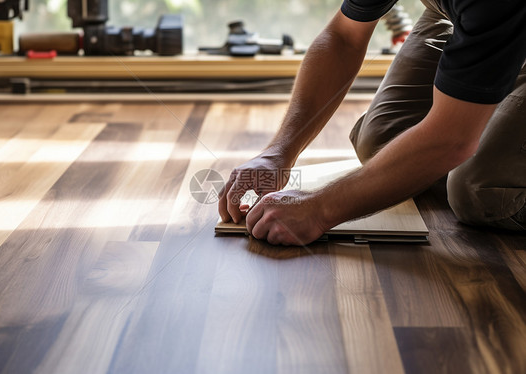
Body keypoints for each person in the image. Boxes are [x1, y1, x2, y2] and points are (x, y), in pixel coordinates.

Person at [218, 0, 526, 246]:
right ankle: (493, 87)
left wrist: (318, 209)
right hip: (464, 14)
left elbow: (453, 140)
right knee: (381, 141)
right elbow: (344, 38)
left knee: (479, 191)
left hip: (495, 11)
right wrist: (278, 153)